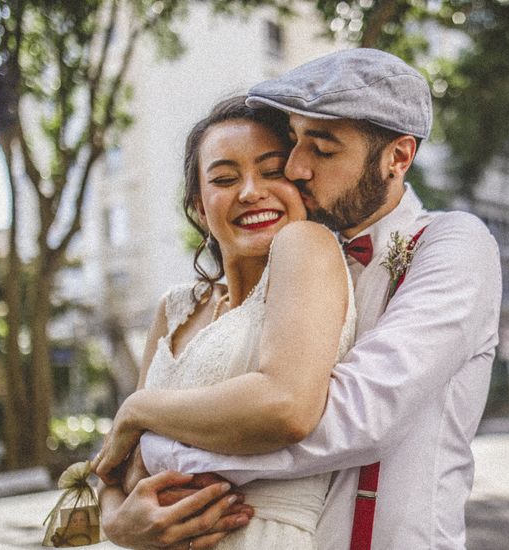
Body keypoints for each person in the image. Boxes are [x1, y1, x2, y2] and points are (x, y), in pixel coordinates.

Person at [96, 48, 502, 549]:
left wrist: (153, 445)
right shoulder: (284, 262)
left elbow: (351, 417)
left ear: (398, 157)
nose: (297, 168)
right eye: (295, 143)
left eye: (323, 150)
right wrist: (116, 519)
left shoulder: (452, 245)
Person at [96, 95, 357, 549]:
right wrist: (117, 520)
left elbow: (286, 405)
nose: (251, 191)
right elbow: (118, 465)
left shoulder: (307, 244)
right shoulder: (175, 308)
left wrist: (138, 409)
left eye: (272, 171)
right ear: (199, 205)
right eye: (224, 178)